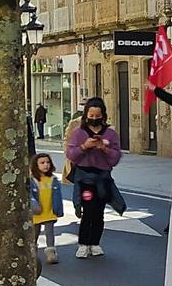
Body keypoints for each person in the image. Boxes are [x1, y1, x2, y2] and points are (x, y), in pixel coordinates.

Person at [65, 97, 123, 259]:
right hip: (85, 178)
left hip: (103, 178)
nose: (94, 118)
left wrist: (104, 149)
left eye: (98, 115)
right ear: (86, 115)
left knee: (99, 212)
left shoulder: (111, 134)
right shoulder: (79, 133)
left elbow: (116, 158)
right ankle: (83, 243)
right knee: (89, 211)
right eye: (91, 115)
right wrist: (84, 147)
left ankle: (95, 243)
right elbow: (71, 154)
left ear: (103, 116)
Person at [29, 153, 64, 265]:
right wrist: (34, 205)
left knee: (49, 232)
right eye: (42, 163)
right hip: (36, 212)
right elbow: (28, 195)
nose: (46, 165)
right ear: (36, 165)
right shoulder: (32, 180)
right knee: (35, 232)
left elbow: (58, 196)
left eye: (48, 162)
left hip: (49, 211)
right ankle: (31, 252)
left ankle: (51, 252)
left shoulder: (53, 179)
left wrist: (58, 210)